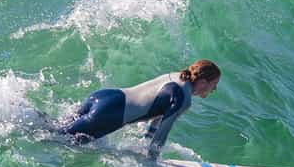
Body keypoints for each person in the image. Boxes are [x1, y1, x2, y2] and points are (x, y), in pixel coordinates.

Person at [56, 59, 220, 159]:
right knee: (55, 141)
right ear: (204, 82)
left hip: (104, 96)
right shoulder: (184, 99)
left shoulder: (177, 76)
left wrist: (145, 142)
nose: (214, 90)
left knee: (54, 129)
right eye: (214, 85)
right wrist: (152, 164)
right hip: (111, 114)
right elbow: (161, 135)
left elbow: (158, 116)